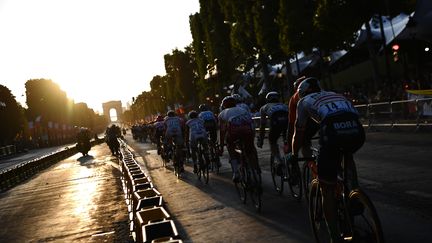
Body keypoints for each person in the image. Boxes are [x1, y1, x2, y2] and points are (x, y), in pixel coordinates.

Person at [288, 77, 365, 242]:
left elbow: (299, 131)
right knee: (347, 154)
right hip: (356, 129)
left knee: (326, 189)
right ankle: (353, 191)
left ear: (302, 93)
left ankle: (334, 237)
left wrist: (294, 154)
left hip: (332, 130)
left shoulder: (303, 101)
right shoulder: (334, 94)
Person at [218, 96, 259, 182]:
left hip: (234, 133)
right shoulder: (243, 110)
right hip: (247, 131)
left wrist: (221, 147)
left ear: (224, 106)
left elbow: (222, 131)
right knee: (250, 150)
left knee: (230, 146)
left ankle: (236, 172)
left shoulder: (222, 114)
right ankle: (255, 169)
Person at [284, 76, 319, 159]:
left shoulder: (294, 98)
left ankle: (311, 164)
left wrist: (291, 147)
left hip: (305, 122)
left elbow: (291, 123)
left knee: (304, 143)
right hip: (320, 120)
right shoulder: (320, 92)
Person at [257, 91, 288, 175]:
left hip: (276, 123)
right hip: (287, 122)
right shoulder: (284, 105)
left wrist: (261, 139)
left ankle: (278, 160)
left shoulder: (264, 107)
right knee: (287, 141)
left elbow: (262, 126)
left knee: (272, 141)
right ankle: (289, 158)